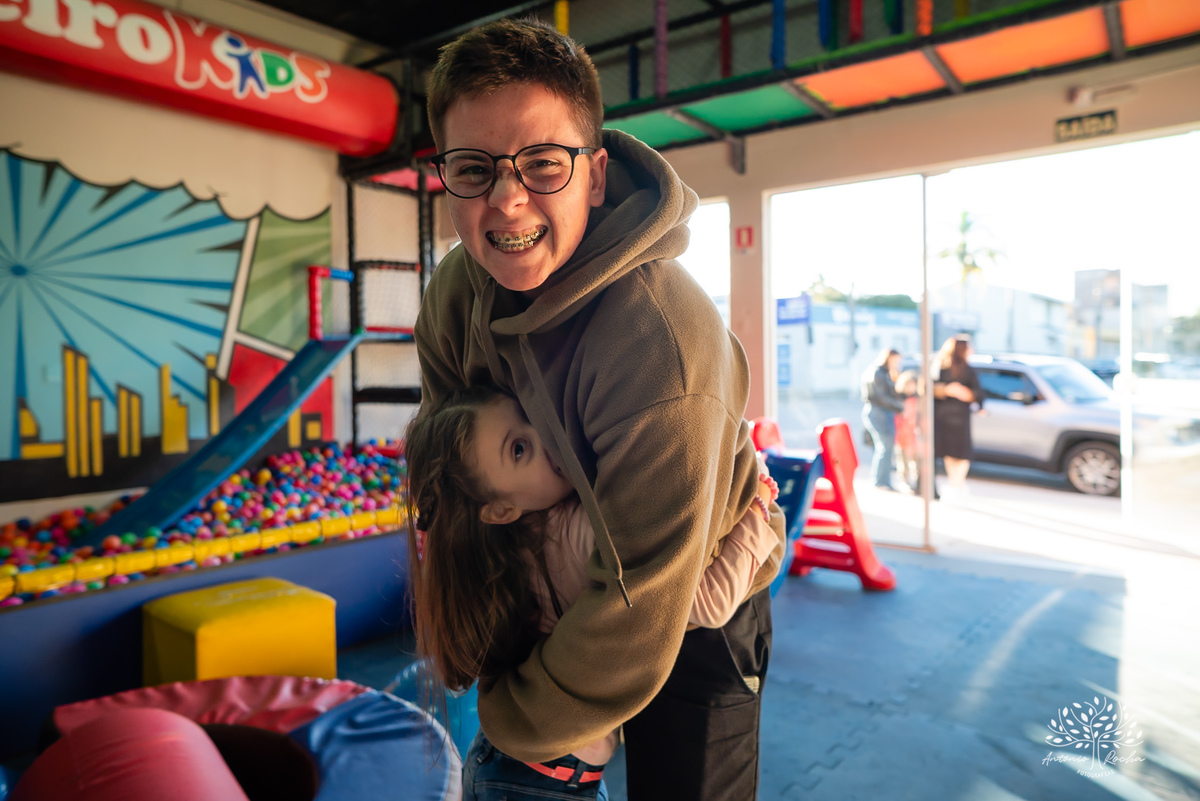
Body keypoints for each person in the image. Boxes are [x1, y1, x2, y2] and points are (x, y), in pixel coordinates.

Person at [414, 18, 786, 800]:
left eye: (542, 164)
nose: (507, 203)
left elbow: (648, 593)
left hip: (691, 598)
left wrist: (512, 715)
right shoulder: (455, 294)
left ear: (593, 172)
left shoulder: (661, 343)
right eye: (473, 168)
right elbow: (449, 471)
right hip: (546, 578)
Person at [403, 386, 781, 801]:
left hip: (499, 764)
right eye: (519, 449)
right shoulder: (581, 531)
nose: (547, 437)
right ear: (499, 509)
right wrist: (759, 510)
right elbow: (708, 603)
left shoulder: (500, 545)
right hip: (551, 780)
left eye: (531, 417)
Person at [933, 336, 984, 499]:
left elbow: (978, 394)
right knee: (953, 451)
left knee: (960, 453)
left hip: (959, 418)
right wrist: (947, 389)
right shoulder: (940, 367)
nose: (972, 351)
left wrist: (967, 394)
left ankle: (956, 483)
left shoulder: (968, 370)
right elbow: (927, 387)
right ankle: (955, 484)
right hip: (946, 418)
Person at [861, 349, 907, 491]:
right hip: (879, 412)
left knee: (885, 447)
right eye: (895, 360)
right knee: (885, 446)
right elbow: (880, 397)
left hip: (882, 412)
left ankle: (882, 480)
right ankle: (880, 481)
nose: (897, 363)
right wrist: (900, 407)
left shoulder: (886, 373)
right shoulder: (877, 373)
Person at [893, 369, 921, 493]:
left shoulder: (918, 400)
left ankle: (916, 481)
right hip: (902, 434)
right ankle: (904, 481)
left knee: (915, 459)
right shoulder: (898, 400)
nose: (910, 388)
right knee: (902, 458)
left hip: (914, 434)